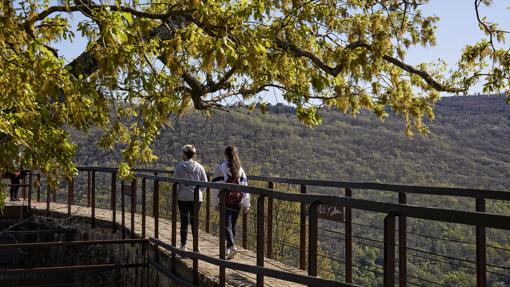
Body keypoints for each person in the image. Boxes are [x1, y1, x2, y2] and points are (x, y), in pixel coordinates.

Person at [212, 145, 250, 260]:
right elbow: (245, 186)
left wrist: (215, 203)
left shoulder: (221, 167)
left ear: (225, 154)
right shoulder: (240, 169)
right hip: (237, 201)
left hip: (225, 200)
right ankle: (228, 249)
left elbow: (215, 187)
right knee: (231, 225)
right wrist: (246, 204)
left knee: (225, 225)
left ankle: (232, 247)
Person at [173, 145, 208, 252]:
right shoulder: (200, 167)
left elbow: (176, 183)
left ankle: (183, 246)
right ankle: (196, 247)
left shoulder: (179, 167)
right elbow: (205, 183)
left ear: (184, 154)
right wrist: (199, 193)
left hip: (183, 197)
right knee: (194, 222)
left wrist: (177, 195)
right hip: (196, 198)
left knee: (184, 221)